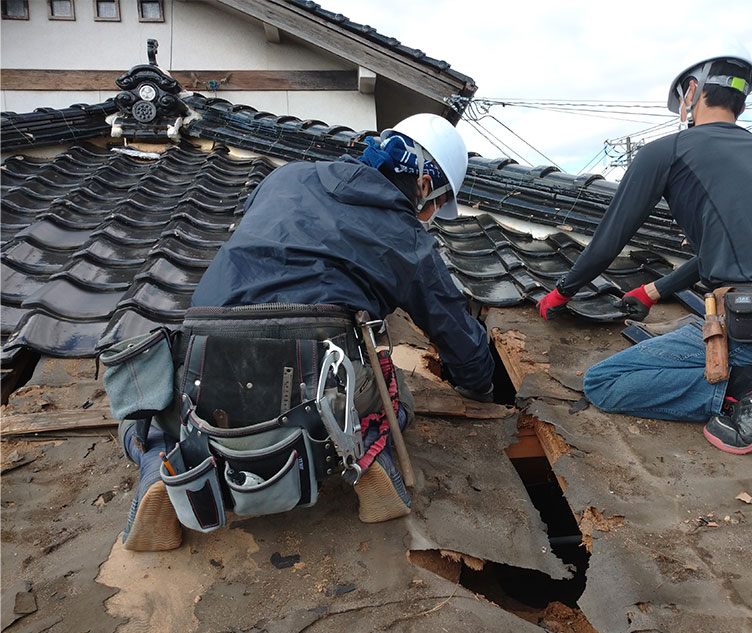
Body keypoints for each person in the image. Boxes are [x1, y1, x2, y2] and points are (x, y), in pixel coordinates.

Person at [120, 113, 495, 550]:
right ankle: (370, 451)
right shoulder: (409, 236)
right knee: (395, 398)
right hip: (314, 366)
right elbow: (455, 332)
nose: (430, 215)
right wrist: (481, 387)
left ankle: (158, 468)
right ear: (425, 185)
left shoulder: (286, 178)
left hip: (207, 349)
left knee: (147, 412)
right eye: (437, 202)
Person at [536, 44, 752, 455]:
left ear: (692, 91)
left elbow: (608, 242)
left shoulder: (669, 150)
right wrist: (653, 291)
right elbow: (729, 251)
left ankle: (747, 385)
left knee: (602, 383)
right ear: (741, 101)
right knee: (683, 337)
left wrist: (561, 292)